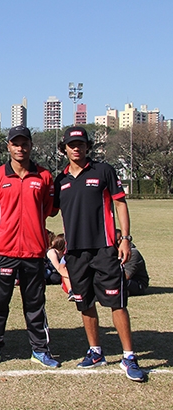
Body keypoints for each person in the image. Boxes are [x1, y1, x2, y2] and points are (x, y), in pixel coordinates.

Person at [52, 126, 146, 382]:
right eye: (71, 144)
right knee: (85, 303)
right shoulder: (60, 180)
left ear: (87, 147)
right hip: (75, 252)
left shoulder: (103, 171)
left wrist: (125, 240)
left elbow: (120, 203)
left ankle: (128, 356)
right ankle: (96, 352)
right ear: (65, 148)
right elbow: (48, 210)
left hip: (104, 249)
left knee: (117, 302)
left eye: (81, 144)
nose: (76, 148)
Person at [0, 126, 60, 368]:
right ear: (8, 146)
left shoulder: (44, 176)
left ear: (30, 145)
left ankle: (40, 348)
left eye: (24, 143)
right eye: (15, 143)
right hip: (4, 251)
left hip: (34, 251)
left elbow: (49, 210)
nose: (20, 148)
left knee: (35, 302)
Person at [116, 229, 149, 296]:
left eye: (116, 241)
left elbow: (126, 276)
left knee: (118, 281)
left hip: (137, 283)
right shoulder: (112, 252)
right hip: (120, 278)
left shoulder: (133, 253)